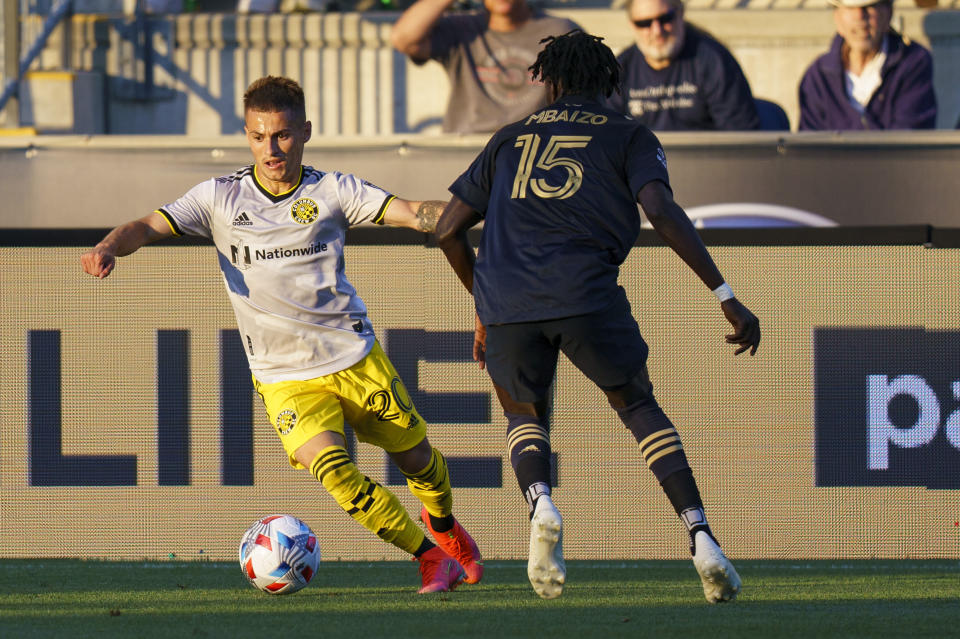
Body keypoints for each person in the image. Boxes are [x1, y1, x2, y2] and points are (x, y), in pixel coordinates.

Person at [80, 75, 483, 595]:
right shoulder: (219, 197)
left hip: (354, 357)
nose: (271, 149)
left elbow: (412, 214)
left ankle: (446, 528)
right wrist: (110, 245)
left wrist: (472, 211)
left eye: (283, 135)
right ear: (246, 135)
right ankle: (430, 559)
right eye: (258, 136)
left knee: (417, 460)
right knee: (334, 470)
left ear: (306, 131)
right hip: (283, 376)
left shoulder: (334, 191)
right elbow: (146, 225)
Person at [435, 30, 760, 602]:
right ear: (610, 82)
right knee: (636, 404)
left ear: (550, 80)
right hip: (585, 291)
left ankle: (540, 503)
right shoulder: (629, 135)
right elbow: (659, 208)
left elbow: (446, 229)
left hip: (508, 299)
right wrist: (723, 292)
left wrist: (484, 301)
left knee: (523, 413)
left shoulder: (509, 139)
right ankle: (701, 536)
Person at [390, 0, 580, 134]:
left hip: (535, 147)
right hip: (468, 148)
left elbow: (598, 90)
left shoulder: (560, 31)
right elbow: (403, 39)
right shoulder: (462, 28)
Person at [605, 0, 760, 130]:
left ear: (680, 13)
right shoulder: (620, 70)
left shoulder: (715, 61)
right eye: (644, 23)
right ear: (632, 25)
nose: (657, 30)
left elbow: (740, 136)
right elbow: (606, 137)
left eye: (665, 18)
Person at [798, 0, 936, 130]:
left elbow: (911, 140)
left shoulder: (913, 63)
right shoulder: (818, 78)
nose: (860, 16)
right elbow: (809, 147)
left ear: (888, 13)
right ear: (837, 18)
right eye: (850, 8)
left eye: (869, 6)